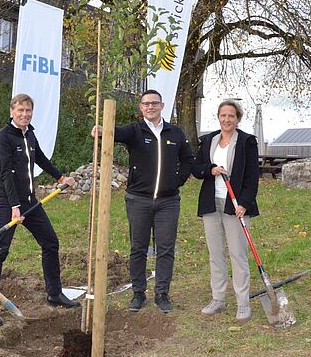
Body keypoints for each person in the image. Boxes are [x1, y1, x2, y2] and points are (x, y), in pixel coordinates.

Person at [0, 93, 79, 327]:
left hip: (29, 201)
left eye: (28, 111)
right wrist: (14, 207)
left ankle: (54, 294)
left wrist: (60, 176)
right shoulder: (2, 137)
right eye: (20, 110)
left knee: (50, 242)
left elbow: (41, 159)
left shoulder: (30, 134)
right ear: (11, 112)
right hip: (7, 202)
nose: (24, 114)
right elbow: (5, 173)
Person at [92, 89, 194, 313]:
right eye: (146, 104)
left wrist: (177, 181)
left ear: (162, 106)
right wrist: (102, 130)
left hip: (168, 202)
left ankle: (162, 294)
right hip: (138, 200)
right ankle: (138, 293)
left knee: (165, 248)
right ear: (140, 108)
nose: (150, 107)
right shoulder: (135, 131)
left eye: (154, 103)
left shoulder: (175, 133)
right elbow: (114, 133)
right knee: (138, 248)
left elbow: (188, 160)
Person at [191, 99, 259, 324]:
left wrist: (245, 203)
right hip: (212, 203)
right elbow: (197, 169)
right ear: (218, 117)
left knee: (238, 255)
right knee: (215, 254)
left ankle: (243, 303)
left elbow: (252, 176)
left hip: (235, 205)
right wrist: (209, 169)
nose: (227, 119)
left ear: (237, 118)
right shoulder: (209, 140)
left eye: (231, 116)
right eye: (223, 116)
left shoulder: (247, 142)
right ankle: (218, 298)